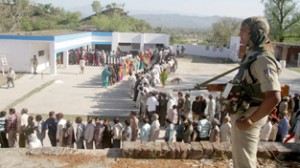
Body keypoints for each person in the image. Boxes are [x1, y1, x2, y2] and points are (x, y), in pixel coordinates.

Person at [231, 17, 282, 168]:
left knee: (244, 163)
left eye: (244, 31)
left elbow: (274, 96)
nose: (240, 34)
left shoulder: (262, 59)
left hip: (249, 114)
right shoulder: (253, 54)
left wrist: (249, 121)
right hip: (244, 111)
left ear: (255, 33)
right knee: (242, 160)